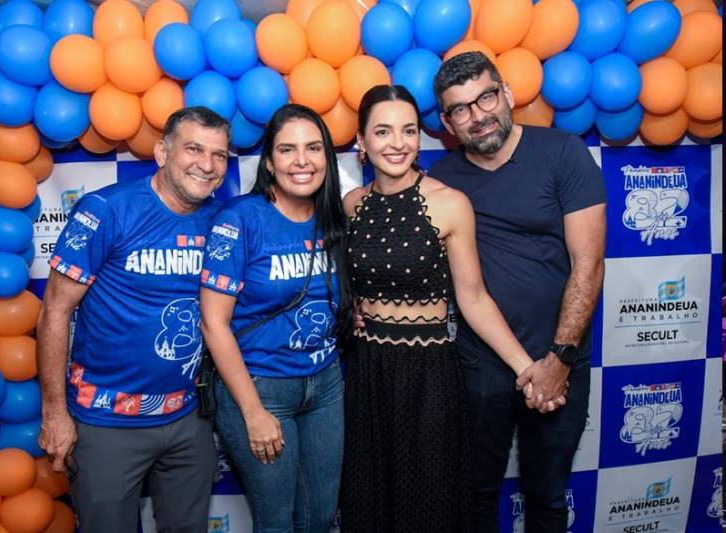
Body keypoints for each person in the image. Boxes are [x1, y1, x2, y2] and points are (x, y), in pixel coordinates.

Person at [339, 84, 544, 533]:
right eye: (383, 131)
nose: (397, 143)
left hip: (428, 376)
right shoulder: (351, 206)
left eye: (409, 130)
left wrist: (526, 368)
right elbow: (343, 282)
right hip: (367, 373)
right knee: (369, 502)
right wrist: (348, 307)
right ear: (361, 141)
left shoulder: (450, 203)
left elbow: (474, 298)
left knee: (427, 506)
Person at [430, 51, 606, 532]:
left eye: (486, 97)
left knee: (546, 495)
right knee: (474, 494)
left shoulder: (563, 152)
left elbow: (588, 265)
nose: (477, 115)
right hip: (479, 365)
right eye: (460, 108)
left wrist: (559, 360)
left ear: (506, 94)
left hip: (559, 357)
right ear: (447, 122)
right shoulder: (441, 182)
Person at [36, 107, 231, 533]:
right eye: (194, 149)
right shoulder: (106, 209)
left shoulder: (222, 221)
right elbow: (55, 309)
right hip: (106, 422)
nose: (207, 164)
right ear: (162, 153)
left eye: (219, 155)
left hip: (187, 418)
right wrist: (55, 413)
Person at [199, 104, 352, 533]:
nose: (302, 161)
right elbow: (213, 323)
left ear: (326, 157)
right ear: (269, 162)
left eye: (313, 148)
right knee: (277, 522)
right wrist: (253, 411)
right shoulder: (240, 220)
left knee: (319, 516)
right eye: (287, 149)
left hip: (325, 384)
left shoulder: (333, 217)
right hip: (261, 385)